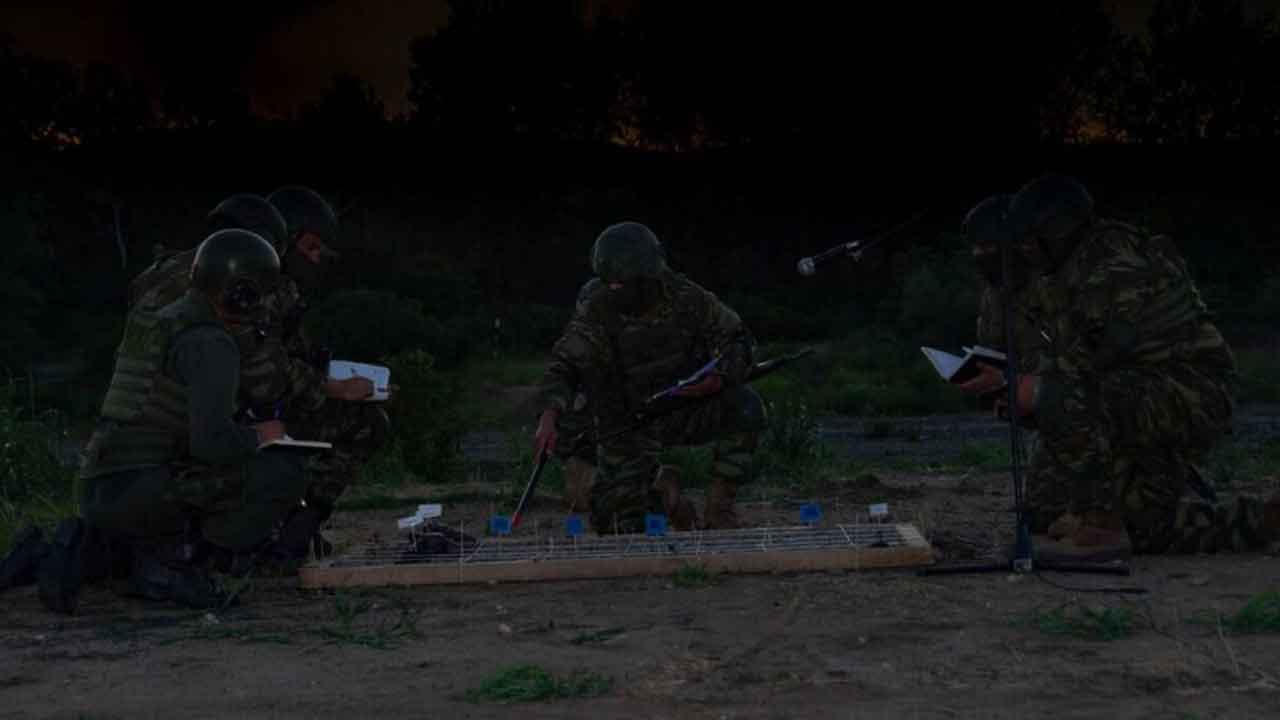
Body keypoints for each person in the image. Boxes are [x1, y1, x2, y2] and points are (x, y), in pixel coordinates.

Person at [958, 173, 1280, 561]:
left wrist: (1030, 389)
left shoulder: (1116, 261)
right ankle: (1235, 517)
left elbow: (1093, 356)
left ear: (1055, 232)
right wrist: (1007, 392)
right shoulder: (1057, 271)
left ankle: (1107, 523)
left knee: (1060, 398)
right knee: (1045, 513)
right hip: (1121, 395)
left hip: (1187, 391)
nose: (1021, 251)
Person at [39, 229, 311, 612]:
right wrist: (261, 436)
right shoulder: (211, 344)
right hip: (138, 490)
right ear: (242, 293)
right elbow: (212, 444)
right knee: (283, 470)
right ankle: (175, 564)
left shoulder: (160, 320)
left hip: (101, 485)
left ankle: (100, 549)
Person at [533, 221, 765, 533]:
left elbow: (740, 342)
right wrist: (549, 415)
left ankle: (719, 508)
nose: (613, 290)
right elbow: (565, 365)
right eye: (608, 283)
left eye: (621, 284)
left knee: (746, 406)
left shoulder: (690, 299)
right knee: (617, 526)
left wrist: (720, 378)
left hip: (682, 406)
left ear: (646, 276)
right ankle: (663, 493)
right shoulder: (596, 306)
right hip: (625, 422)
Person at [263, 185, 391, 559]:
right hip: (246, 418)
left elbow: (292, 360)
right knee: (365, 423)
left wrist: (347, 383)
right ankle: (286, 530)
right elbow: (267, 370)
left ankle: (297, 527)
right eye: (311, 248)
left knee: (366, 419)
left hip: (267, 409)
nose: (317, 260)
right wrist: (337, 389)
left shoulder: (283, 292)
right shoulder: (263, 292)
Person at [958, 193, 1050, 459]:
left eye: (987, 247)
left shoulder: (1051, 283)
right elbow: (991, 348)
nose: (979, 255)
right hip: (1026, 409)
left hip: (1064, 402)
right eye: (976, 248)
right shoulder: (994, 294)